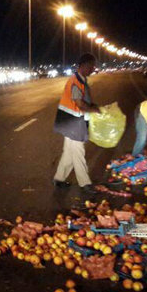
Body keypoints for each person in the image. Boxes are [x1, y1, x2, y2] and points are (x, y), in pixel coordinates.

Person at [53, 53, 100, 192]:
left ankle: (59, 179)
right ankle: (85, 183)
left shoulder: (81, 79)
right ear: (85, 66)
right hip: (72, 121)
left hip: (72, 120)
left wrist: (92, 106)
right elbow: (79, 103)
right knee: (78, 152)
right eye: (92, 66)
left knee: (69, 152)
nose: (93, 69)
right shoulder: (75, 82)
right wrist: (94, 109)